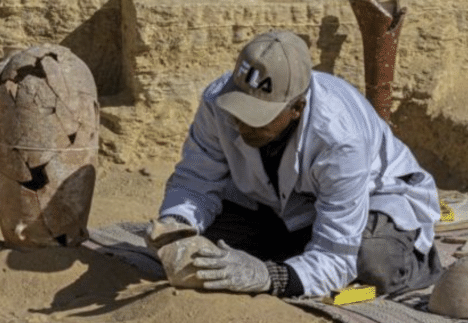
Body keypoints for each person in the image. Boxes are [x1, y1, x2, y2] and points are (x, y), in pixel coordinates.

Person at [147, 29, 442, 297]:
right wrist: (178, 223)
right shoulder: (217, 102)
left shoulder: (339, 139)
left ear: (297, 108)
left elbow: (336, 253)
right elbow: (195, 181)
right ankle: (296, 252)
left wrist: (270, 276)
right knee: (203, 250)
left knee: (372, 264)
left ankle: (417, 262)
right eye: (239, 108)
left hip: (371, 199)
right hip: (280, 204)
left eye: (258, 116)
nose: (241, 123)